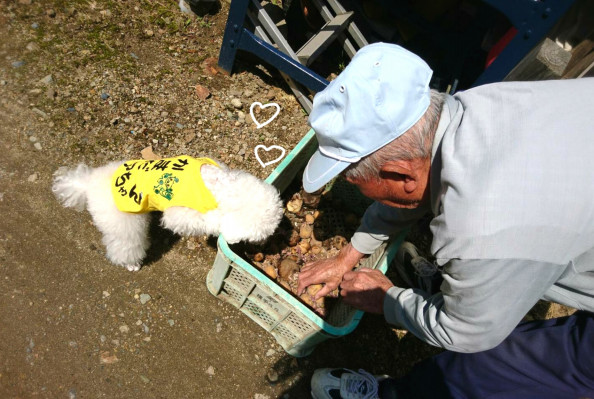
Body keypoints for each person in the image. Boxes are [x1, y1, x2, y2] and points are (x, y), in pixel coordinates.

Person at [297, 42, 594, 398]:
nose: (353, 187)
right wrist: (350, 255)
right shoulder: (477, 107)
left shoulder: (482, 229)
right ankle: (467, 287)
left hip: (507, 241)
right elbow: (418, 181)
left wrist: (388, 300)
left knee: (478, 372)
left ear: (397, 174)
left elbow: (467, 332)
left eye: (353, 180)